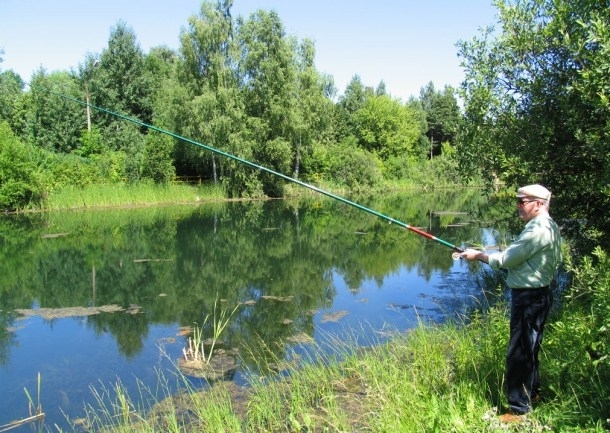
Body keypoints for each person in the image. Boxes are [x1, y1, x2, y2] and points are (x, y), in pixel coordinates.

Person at [460, 184, 562, 418]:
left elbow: (506, 259)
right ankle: (532, 393)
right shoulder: (550, 226)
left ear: (538, 204)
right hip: (540, 294)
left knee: (519, 352)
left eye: (522, 201)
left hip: (528, 298)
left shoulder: (537, 229)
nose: (518, 206)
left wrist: (478, 255)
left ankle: (518, 410)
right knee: (531, 347)